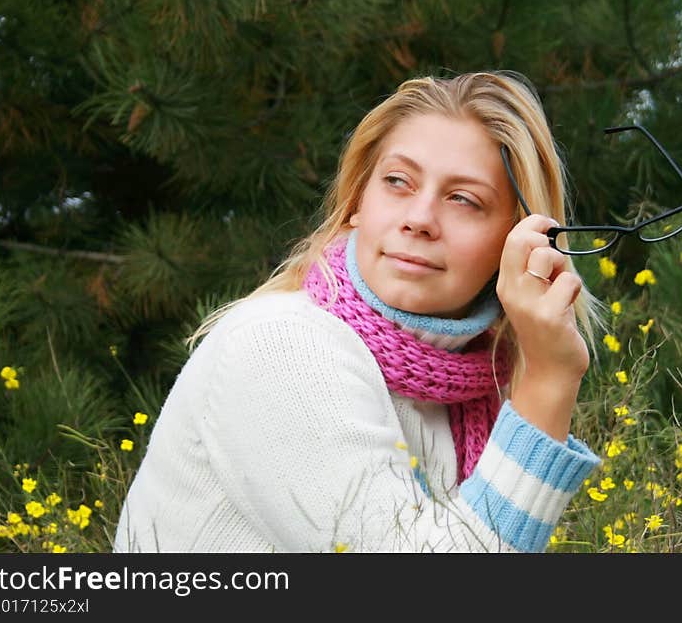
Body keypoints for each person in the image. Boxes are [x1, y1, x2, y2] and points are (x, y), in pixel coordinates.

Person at [112, 70, 604, 553]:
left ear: (516, 239)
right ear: (356, 204)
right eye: (397, 182)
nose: (419, 219)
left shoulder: (477, 391)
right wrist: (548, 378)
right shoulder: (280, 345)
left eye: (463, 200)